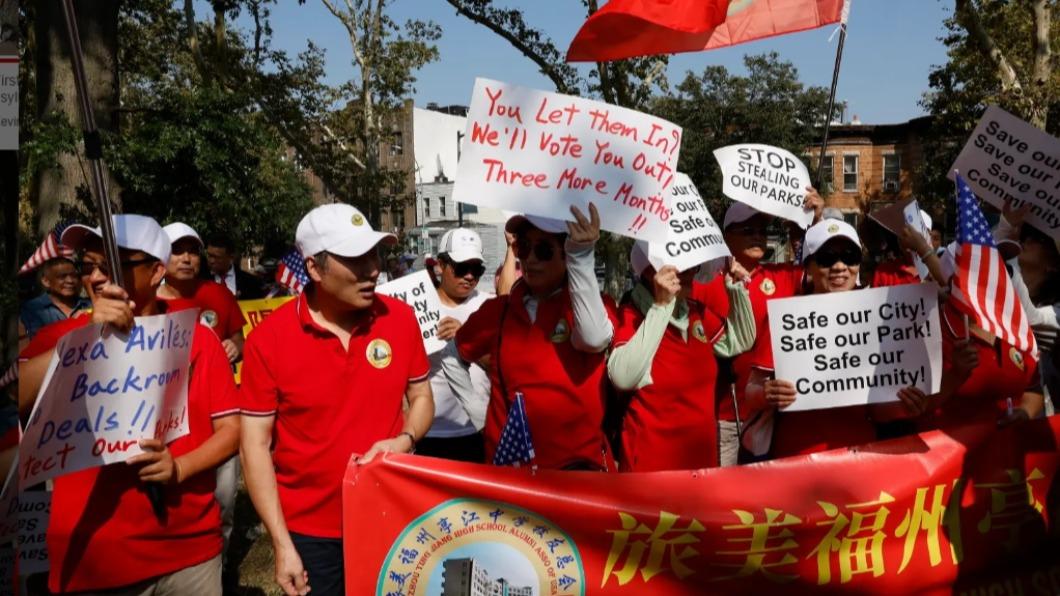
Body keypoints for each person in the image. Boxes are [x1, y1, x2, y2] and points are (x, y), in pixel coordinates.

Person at [18, 214, 240, 594]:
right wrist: (89, 335)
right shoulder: (60, 339)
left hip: (188, 551)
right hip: (95, 556)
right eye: (88, 266)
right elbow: (20, 400)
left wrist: (180, 468)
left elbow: (232, 429)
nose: (97, 278)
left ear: (156, 272)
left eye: (113, 265)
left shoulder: (197, 338)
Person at [240, 204, 434, 596]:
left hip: (391, 517)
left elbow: (422, 395)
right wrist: (281, 542)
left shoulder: (399, 318)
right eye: (355, 259)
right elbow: (254, 446)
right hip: (310, 534)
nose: (373, 269)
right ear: (314, 268)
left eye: (374, 255)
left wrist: (406, 439)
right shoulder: (269, 340)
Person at [441, 205, 617, 470]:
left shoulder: (596, 306)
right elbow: (453, 356)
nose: (531, 259)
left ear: (566, 253)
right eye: (523, 248)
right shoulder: (498, 311)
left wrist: (581, 256)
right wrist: (482, 417)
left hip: (578, 479)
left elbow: (593, 339)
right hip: (512, 479)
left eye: (543, 250)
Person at [606, 241, 755, 472]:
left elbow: (740, 340)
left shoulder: (694, 311)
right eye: (677, 266)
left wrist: (736, 290)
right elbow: (622, 377)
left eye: (692, 265)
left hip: (699, 466)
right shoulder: (633, 313)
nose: (687, 273)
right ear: (649, 270)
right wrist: (661, 306)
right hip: (651, 471)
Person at [753, 220, 879, 457]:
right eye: (827, 258)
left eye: (850, 256)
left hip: (862, 460)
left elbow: (883, 411)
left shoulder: (879, 317)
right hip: (798, 460)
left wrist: (908, 403)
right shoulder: (788, 318)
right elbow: (751, 391)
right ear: (808, 267)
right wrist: (766, 393)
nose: (840, 266)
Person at [714, 193, 822, 466]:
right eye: (748, 230)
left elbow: (827, 273)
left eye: (763, 230)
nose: (758, 236)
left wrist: (816, 220)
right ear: (727, 236)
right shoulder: (706, 282)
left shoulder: (781, 276)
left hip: (771, 415)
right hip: (725, 417)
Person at [417, 229, 493, 462]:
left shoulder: (489, 305)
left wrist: (467, 340)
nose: (469, 276)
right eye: (461, 268)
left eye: (477, 269)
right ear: (441, 264)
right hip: (428, 432)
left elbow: (502, 366)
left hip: (478, 430)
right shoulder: (416, 306)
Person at [159, 222, 247, 363]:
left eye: (193, 251)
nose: (186, 259)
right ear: (160, 258)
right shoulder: (148, 302)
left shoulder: (221, 295)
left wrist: (235, 346)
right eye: (177, 251)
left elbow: (240, 341)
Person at [18, 257, 90, 346]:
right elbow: (38, 345)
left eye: (74, 276)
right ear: (46, 281)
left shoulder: (89, 304)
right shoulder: (33, 308)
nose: (70, 281)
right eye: (62, 277)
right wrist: (73, 324)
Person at [204, 233, 266, 300]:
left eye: (217, 257)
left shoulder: (251, 283)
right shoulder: (201, 282)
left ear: (231, 257)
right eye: (209, 256)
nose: (211, 261)